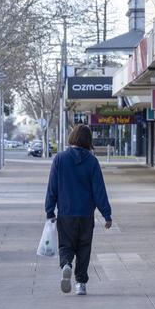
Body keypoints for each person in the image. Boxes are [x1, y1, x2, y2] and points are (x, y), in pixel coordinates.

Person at [45, 125, 113, 295]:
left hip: (66, 214)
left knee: (66, 245)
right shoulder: (92, 161)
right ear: (88, 141)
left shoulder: (60, 159)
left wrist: (49, 210)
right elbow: (99, 190)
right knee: (84, 247)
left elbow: (52, 187)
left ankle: (66, 264)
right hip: (85, 214)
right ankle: (80, 283)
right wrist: (106, 214)